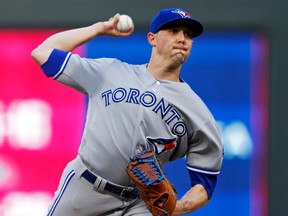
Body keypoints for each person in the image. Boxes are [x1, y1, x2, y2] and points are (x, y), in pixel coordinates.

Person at [31, 7, 224, 216]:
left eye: (188, 35)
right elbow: (42, 52)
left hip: (138, 203)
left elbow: (205, 182)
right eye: (173, 31)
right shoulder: (109, 73)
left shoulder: (197, 112)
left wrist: (179, 207)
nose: (182, 39)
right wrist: (98, 29)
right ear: (152, 38)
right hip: (83, 189)